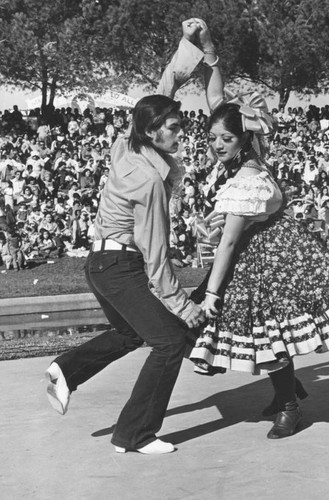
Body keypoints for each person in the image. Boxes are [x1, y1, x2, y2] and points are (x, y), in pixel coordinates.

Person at [187, 20, 329, 440]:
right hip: (271, 251)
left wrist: (212, 293)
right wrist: (209, 51)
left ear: (244, 140)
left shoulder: (247, 179)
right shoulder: (247, 156)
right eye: (212, 138)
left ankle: (290, 406)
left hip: (270, 259)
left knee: (268, 333)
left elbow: (226, 245)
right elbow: (218, 100)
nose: (216, 144)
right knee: (265, 335)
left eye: (225, 139)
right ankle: (287, 393)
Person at [44, 20, 207, 455]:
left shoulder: (127, 143)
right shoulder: (149, 181)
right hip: (121, 267)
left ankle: (66, 370)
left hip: (100, 265)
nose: (180, 131)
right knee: (170, 342)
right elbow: (157, 255)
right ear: (154, 132)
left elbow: (162, 93)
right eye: (174, 127)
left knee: (131, 333)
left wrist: (187, 47)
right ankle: (134, 435)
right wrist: (182, 306)